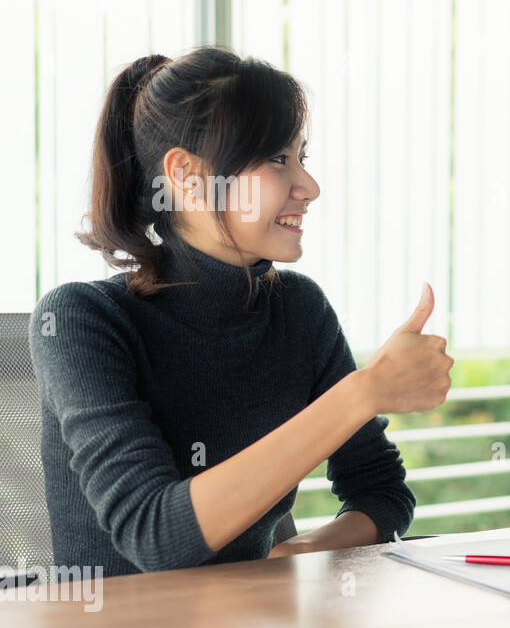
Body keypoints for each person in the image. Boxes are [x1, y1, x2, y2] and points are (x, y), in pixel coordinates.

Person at [29, 47, 453, 577]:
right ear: (185, 174)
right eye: (278, 159)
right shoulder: (80, 320)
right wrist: (364, 391)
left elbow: (381, 490)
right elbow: (155, 536)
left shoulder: (299, 310)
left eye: (303, 157)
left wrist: (300, 550)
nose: (309, 187)